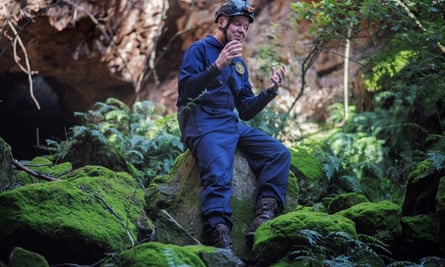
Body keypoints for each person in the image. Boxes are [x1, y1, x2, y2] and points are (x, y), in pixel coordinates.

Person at [176, 0, 290, 258]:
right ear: (221, 22)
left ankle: (263, 216)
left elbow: (246, 110)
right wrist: (217, 65)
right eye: (237, 24)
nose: (242, 31)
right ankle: (219, 236)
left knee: (279, 154)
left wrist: (270, 92)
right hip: (202, 124)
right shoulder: (199, 50)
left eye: (245, 27)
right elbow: (185, 91)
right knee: (218, 172)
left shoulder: (239, 64)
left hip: (230, 124)